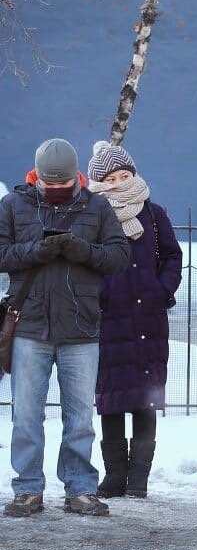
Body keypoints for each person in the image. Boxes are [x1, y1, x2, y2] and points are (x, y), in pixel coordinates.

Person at [0, 139, 130, 518]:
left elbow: (119, 256)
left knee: (80, 418)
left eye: (63, 183)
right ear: (36, 176)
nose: (56, 189)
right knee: (26, 415)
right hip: (30, 326)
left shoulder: (97, 206)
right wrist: (36, 251)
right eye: (49, 183)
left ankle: (80, 489)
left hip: (80, 327)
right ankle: (27, 488)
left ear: (77, 176)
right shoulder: (13, 205)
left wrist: (82, 251)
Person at [87, 141, 183, 499]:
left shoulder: (154, 214)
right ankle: (115, 476)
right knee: (110, 398)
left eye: (124, 175)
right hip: (109, 318)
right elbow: (85, 261)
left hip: (148, 318)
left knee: (146, 398)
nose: (119, 183)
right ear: (100, 182)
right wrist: (101, 294)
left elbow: (172, 256)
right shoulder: (92, 215)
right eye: (110, 179)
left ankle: (139, 478)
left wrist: (161, 290)